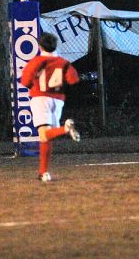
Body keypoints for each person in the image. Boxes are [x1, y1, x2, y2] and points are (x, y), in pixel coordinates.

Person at [20, 32, 81, 182]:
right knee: (47, 136)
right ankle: (44, 172)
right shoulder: (63, 62)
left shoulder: (36, 62)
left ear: (40, 46)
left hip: (41, 98)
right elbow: (74, 80)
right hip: (58, 100)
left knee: (44, 135)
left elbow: (25, 82)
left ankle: (65, 128)